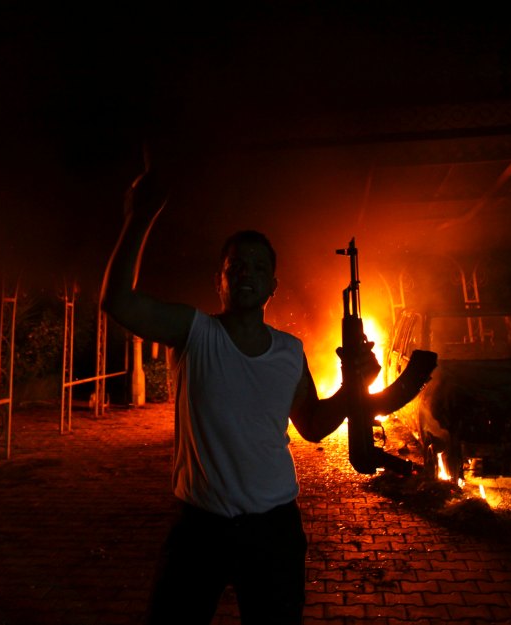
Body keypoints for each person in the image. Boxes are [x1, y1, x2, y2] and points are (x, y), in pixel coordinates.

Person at [100, 163, 379, 625]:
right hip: (199, 528)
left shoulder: (290, 351)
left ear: (272, 285)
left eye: (259, 267)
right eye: (237, 266)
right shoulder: (193, 332)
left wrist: (354, 387)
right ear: (220, 280)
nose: (248, 273)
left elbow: (312, 426)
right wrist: (139, 218)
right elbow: (118, 302)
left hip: (274, 529)